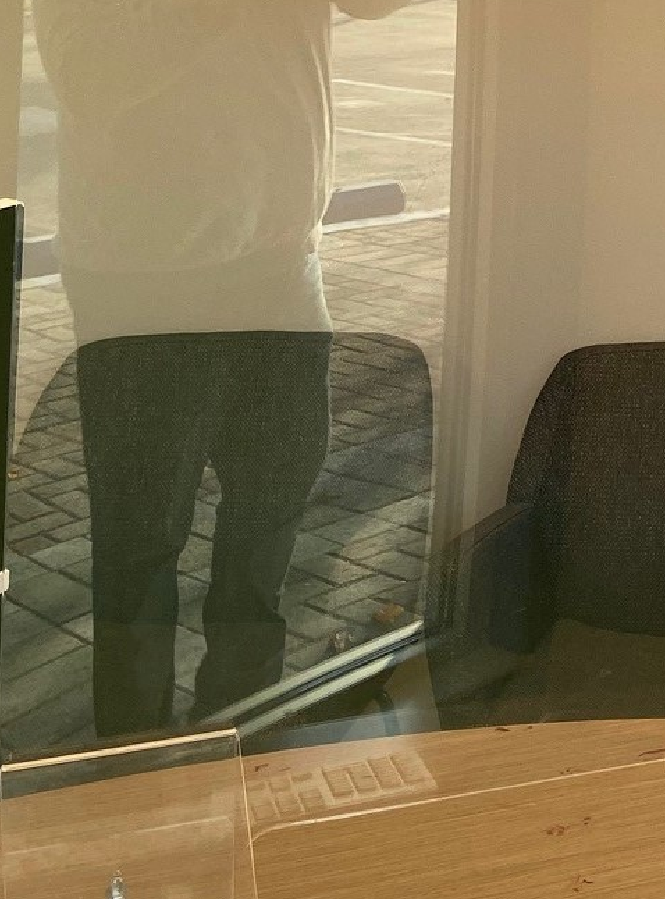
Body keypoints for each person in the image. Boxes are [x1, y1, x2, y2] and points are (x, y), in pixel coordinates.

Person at [34, 0, 408, 737]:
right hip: (142, 275)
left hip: (281, 256)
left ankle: (242, 731)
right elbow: (89, 73)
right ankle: (131, 768)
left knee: (269, 517)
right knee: (140, 544)